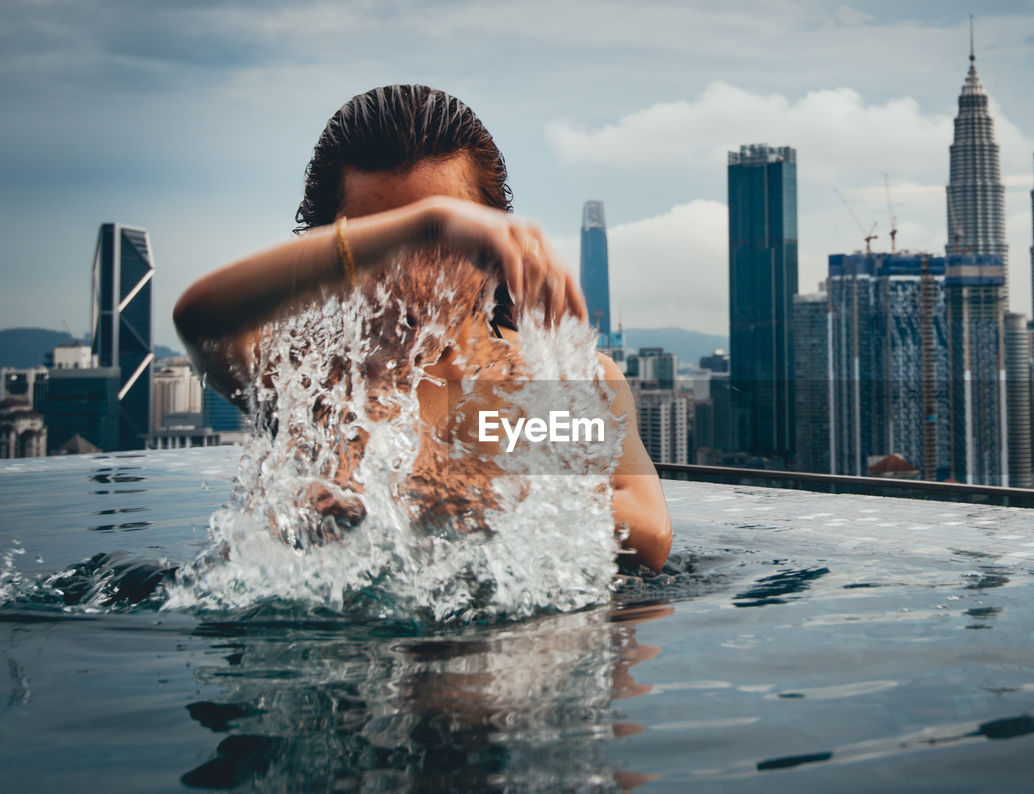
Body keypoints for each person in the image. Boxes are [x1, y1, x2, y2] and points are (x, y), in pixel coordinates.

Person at [173, 84, 672, 571]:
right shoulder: (307, 382)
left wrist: (451, 497)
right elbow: (202, 321)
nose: (410, 277)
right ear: (332, 251)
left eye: (441, 244)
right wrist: (428, 222)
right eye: (383, 246)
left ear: (495, 237)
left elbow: (647, 534)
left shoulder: (550, 383)